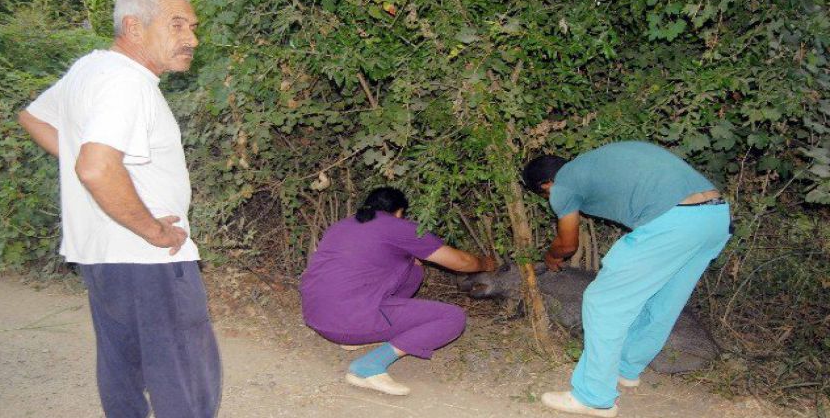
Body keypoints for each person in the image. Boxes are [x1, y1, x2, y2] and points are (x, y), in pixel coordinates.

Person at [17, 0, 220, 417]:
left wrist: (101, 167)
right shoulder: (128, 83)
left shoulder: (91, 69)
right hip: (147, 257)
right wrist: (153, 230)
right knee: (183, 377)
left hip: (102, 253)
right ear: (133, 27)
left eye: (192, 26)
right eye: (177, 24)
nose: (192, 39)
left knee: (123, 371)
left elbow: (33, 117)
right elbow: (95, 168)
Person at [521, 141, 731, 418]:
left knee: (603, 302)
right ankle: (627, 368)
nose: (551, 199)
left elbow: (567, 243)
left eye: (546, 194)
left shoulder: (564, 183)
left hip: (671, 221)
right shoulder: (595, 163)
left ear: (546, 184)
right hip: (715, 216)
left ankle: (593, 397)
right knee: (663, 301)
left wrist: (551, 256)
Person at [300, 187, 496, 396]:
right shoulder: (399, 227)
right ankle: (369, 367)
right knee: (452, 317)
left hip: (316, 315)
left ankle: (362, 337)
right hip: (348, 322)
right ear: (399, 211)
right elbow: (462, 262)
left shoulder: (342, 225)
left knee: (415, 268)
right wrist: (486, 264)